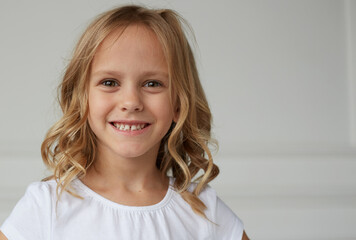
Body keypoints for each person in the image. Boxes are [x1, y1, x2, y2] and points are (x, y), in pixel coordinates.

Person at [0, 5, 249, 240]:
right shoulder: (46, 207)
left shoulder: (205, 212)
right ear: (82, 99)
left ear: (178, 104)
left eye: (152, 84)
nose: (131, 102)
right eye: (109, 82)